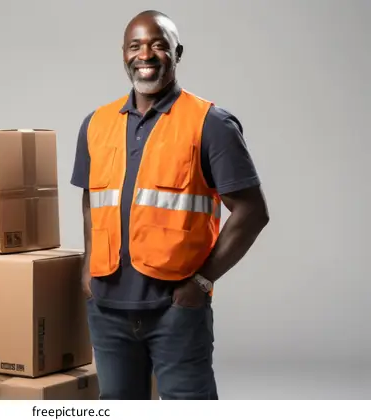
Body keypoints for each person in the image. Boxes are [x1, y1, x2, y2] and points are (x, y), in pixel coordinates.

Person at [70, 10, 270, 400]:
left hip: (174, 310)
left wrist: (202, 281)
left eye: (159, 44)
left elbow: (252, 212)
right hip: (108, 308)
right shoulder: (96, 123)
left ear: (177, 52)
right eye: (136, 46)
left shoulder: (210, 124)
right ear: (124, 54)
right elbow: (91, 199)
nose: (146, 54)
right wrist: (87, 268)